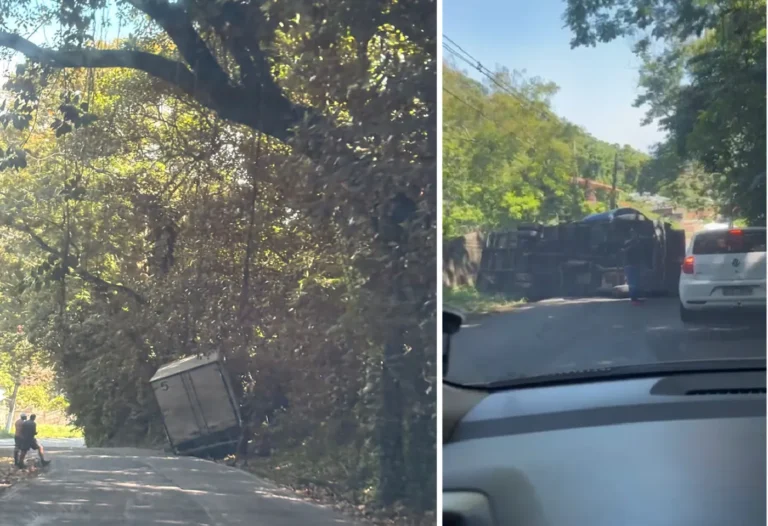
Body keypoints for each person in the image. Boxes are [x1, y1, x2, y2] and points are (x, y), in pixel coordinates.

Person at [622, 228, 645, 305]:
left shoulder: (636, 242)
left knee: (635, 282)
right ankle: (633, 299)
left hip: (634, 265)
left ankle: (635, 298)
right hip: (630, 265)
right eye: (633, 233)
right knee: (632, 282)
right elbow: (625, 252)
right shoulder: (629, 243)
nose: (635, 235)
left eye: (635, 233)